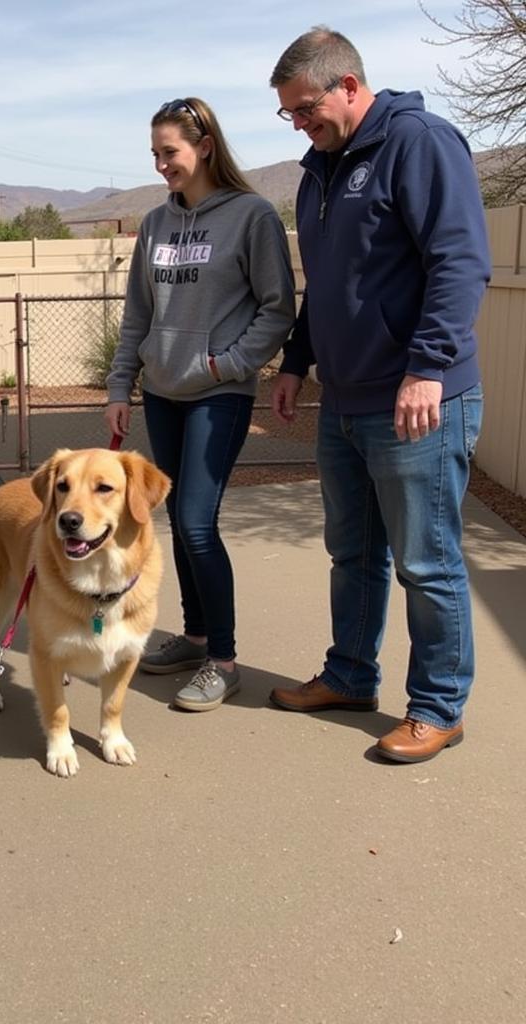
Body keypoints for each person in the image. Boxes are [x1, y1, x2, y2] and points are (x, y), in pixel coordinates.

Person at [267, 27, 489, 763]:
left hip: (417, 399)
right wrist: (297, 360)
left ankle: (438, 705)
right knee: (352, 553)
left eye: (304, 109)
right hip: (347, 401)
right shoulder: (318, 172)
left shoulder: (420, 144)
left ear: (349, 86)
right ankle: (350, 675)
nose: (299, 124)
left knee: (426, 562)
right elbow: (326, 285)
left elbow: (460, 262)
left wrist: (427, 366)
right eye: (290, 115)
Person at [105, 97, 295, 713]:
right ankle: (194, 638)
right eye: (155, 155)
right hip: (162, 392)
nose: (162, 165)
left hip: (219, 393)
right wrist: (119, 387)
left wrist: (228, 363)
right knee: (180, 526)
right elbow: (138, 313)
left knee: (195, 522)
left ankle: (224, 660)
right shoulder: (157, 224)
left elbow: (277, 308)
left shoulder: (251, 217)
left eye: (171, 152)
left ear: (205, 145)